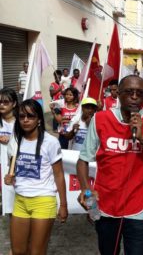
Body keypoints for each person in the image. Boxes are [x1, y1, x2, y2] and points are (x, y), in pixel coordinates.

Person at [76, 75, 143, 255]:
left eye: (140, 93)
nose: (135, 97)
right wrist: (86, 192)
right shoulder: (100, 119)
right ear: (118, 94)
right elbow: (82, 160)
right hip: (103, 207)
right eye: (129, 92)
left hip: (138, 209)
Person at [4, 99, 68, 254]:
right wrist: (10, 178)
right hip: (20, 201)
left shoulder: (51, 142)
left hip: (43, 201)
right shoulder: (16, 140)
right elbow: (13, 169)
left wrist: (64, 205)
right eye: (21, 116)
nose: (25, 120)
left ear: (39, 119)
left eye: (30, 116)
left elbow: (59, 175)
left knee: (36, 251)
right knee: (18, 251)